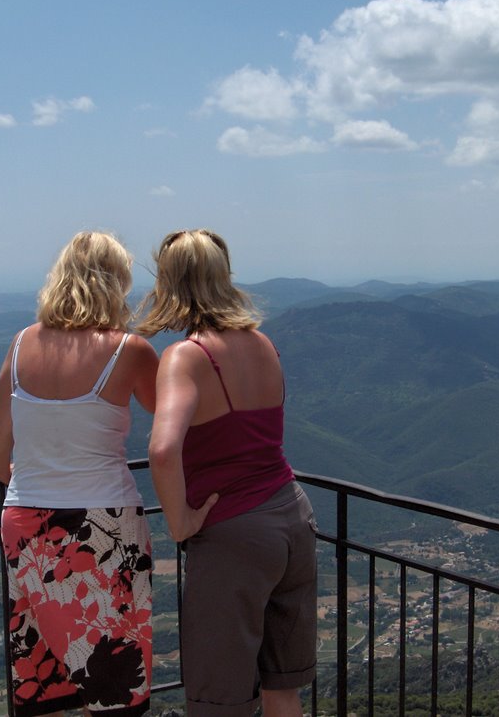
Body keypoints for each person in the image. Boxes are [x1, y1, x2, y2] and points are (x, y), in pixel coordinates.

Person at [138, 229, 317, 717]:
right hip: (293, 518)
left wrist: (181, 522)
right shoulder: (262, 342)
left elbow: (162, 449)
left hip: (235, 532)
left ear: (171, 282)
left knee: (222, 699)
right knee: (283, 688)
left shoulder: (188, 356)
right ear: (223, 276)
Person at [0, 231, 159, 717]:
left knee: (44, 674)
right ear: (117, 282)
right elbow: (171, 430)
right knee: (112, 683)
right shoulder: (130, 349)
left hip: (25, 521)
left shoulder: (21, 344)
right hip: (103, 527)